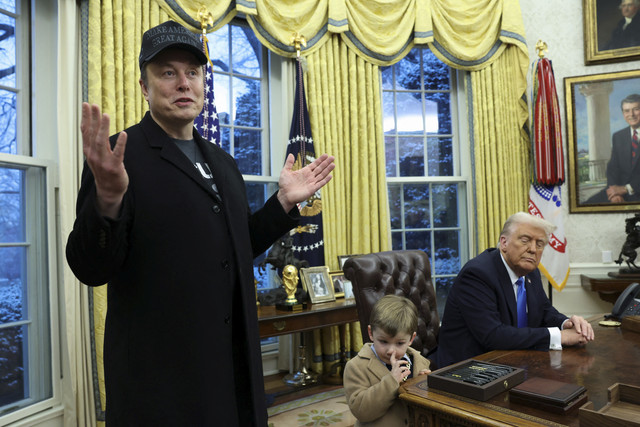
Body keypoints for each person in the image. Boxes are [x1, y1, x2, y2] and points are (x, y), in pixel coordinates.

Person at [65, 20, 335, 426]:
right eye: (167, 72)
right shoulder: (118, 156)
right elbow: (89, 268)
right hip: (161, 379)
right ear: (144, 86)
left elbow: (237, 244)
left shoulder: (223, 163)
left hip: (230, 362)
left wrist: (281, 203)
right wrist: (107, 200)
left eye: (192, 72)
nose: (183, 83)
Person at [436, 212, 595, 368]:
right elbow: (493, 335)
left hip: (512, 362)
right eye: (525, 240)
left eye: (539, 244)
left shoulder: (531, 271)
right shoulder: (478, 274)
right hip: (466, 368)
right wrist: (559, 336)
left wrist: (565, 323)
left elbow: (544, 310)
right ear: (503, 243)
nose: (533, 249)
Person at [344, 295, 431, 427]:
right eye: (383, 341)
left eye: (400, 343)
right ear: (371, 333)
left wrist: (425, 386)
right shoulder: (356, 367)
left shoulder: (420, 362)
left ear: (411, 339)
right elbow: (361, 411)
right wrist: (391, 382)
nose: (391, 350)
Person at [586, 94, 640, 204]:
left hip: (637, 191)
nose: (631, 115)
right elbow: (612, 168)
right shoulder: (618, 136)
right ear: (623, 113)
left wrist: (626, 189)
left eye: (636, 109)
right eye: (627, 111)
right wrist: (613, 193)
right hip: (618, 192)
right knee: (586, 205)